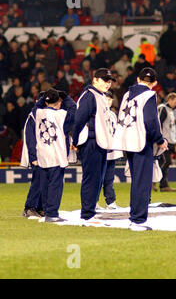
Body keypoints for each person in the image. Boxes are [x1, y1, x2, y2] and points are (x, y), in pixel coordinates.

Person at [112, 68, 168, 231]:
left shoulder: (127, 94)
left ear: (138, 79)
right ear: (155, 83)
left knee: (137, 181)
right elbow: (151, 121)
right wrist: (159, 139)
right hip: (141, 141)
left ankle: (134, 216)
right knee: (143, 182)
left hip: (127, 141)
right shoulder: (149, 95)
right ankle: (138, 220)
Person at [22, 89, 76, 222]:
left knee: (45, 186)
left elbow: (37, 106)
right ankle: (51, 214)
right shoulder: (61, 115)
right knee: (55, 186)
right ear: (58, 102)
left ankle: (46, 211)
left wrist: (46, 97)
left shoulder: (38, 113)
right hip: (56, 156)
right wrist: (65, 95)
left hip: (43, 156)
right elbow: (74, 110)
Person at [72, 69, 115, 224]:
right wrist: (75, 141)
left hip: (100, 142)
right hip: (91, 142)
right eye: (104, 80)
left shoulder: (100, 96)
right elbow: (79, 120)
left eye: (109, 81)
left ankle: (91, 211)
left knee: (98, 179)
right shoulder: (89, 95)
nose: (108, 83)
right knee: (91, 179)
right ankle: (87, 214)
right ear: (95, 80)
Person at [96, 91, 123, 210]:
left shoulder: (113, 114)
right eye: (106, 99)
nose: (108, 101)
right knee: (97, 178)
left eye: (110, 99)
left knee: (109, 178)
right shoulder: (98, 113)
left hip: (112, 151)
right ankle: (93, 202)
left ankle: (110, 202)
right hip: (101, 150)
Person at [157, 92, 176, 192]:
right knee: (166, 161)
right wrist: (159, 138)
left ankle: (163, 185)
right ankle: (154, 181)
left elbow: (170, 128)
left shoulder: (170, 110)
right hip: (162, 140)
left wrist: (173, 142)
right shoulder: (163, 108)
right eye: (175, 102)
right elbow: (158, 122)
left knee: (165, 162)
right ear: (170, 99)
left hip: (168, 140)